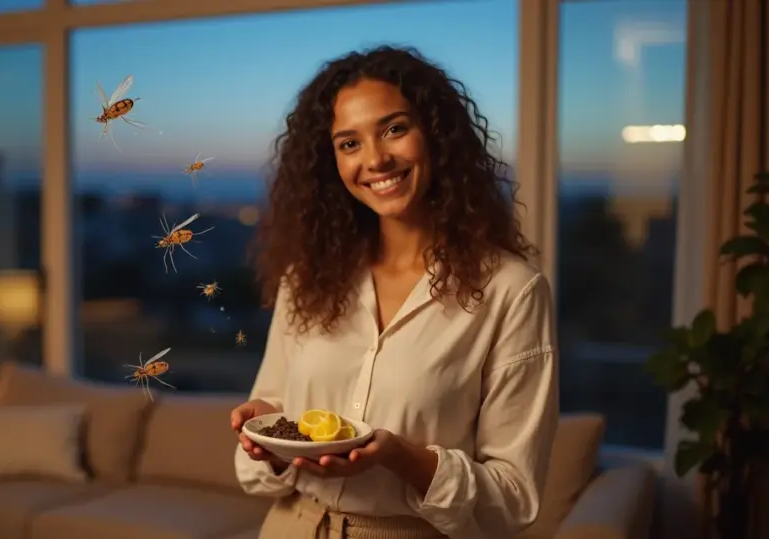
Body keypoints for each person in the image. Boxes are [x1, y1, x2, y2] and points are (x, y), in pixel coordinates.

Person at [230, 45, 559, 539]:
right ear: (330, 164)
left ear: (437, 136)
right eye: (348, 143)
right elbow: (262, 453)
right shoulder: (308, 279)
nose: (376, 159)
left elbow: (512, 500)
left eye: (394, 129)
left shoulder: (512, 290)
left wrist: (400, 457)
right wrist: (265, 438)